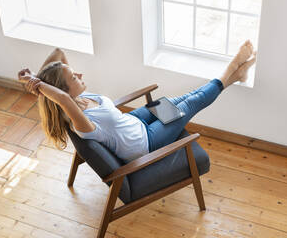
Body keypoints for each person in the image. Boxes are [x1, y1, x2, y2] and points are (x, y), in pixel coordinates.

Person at [18, 41, 256, 163]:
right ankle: (232, 68)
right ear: (62, 92)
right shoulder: (79, 120)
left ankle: (236, 76)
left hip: (133, 122)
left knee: (181, 99)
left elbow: (58, 53)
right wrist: (36, 84)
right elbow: (59, 96)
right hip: (145, 141)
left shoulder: (78, 98)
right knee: (193, 103)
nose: (79, 75)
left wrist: (35, 80)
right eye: (73, 77)